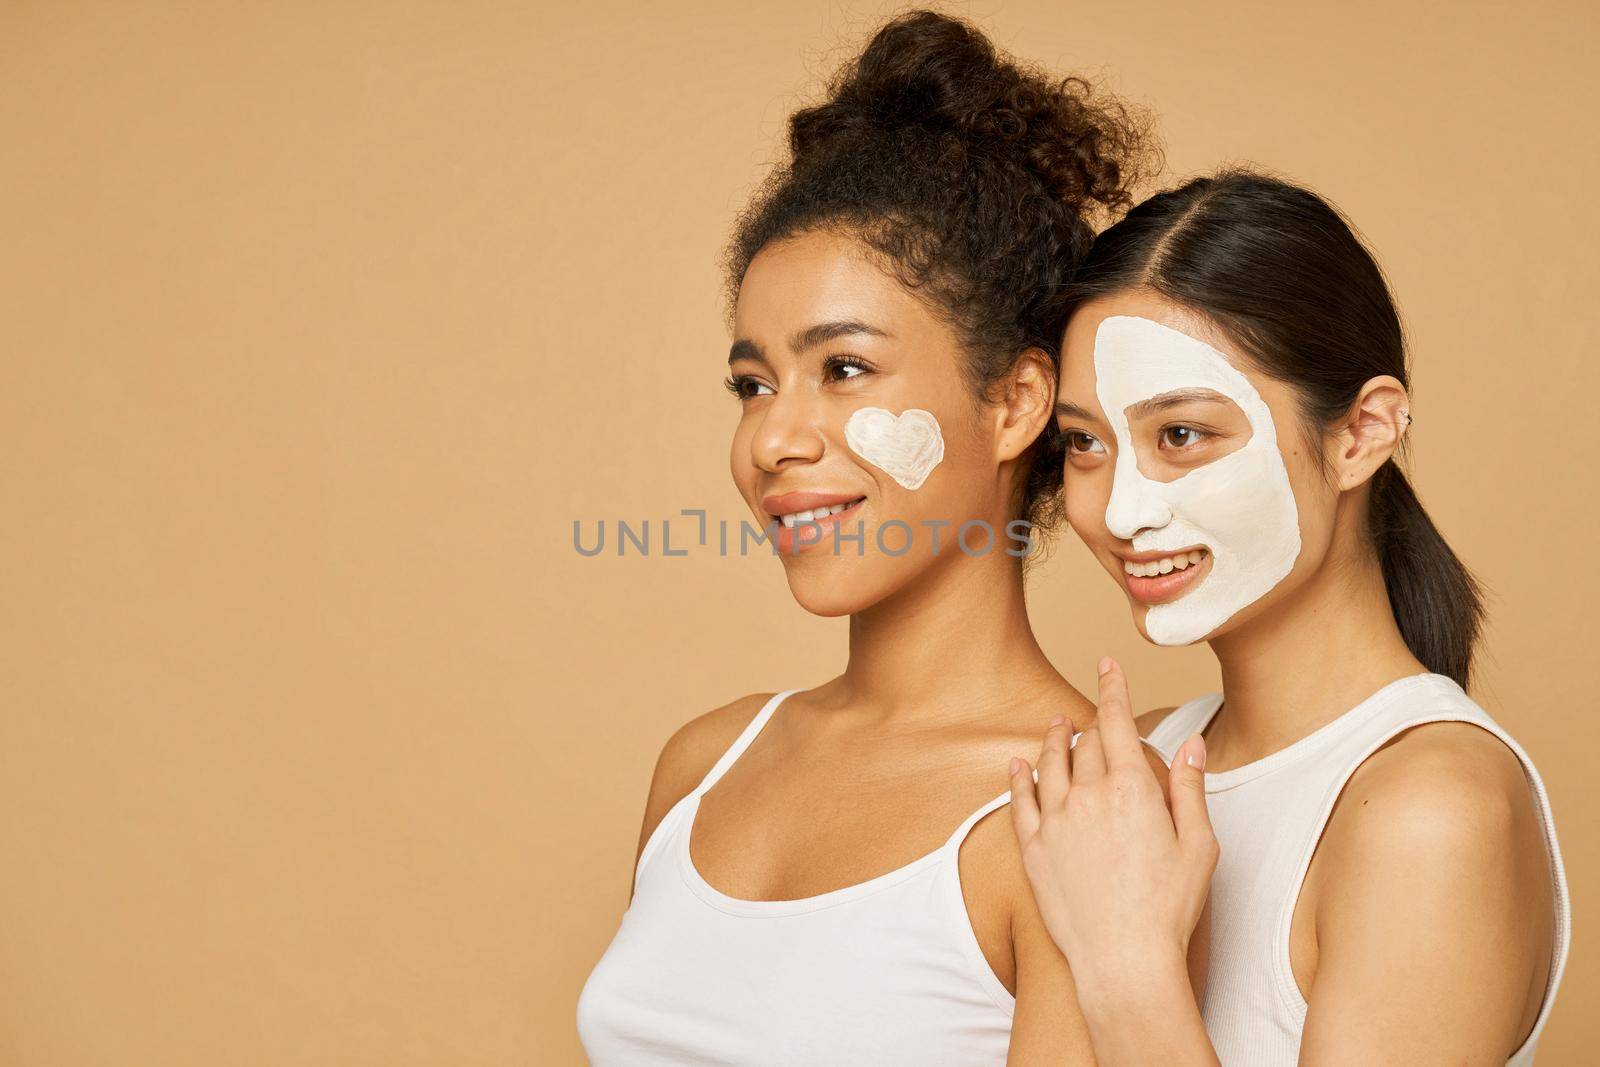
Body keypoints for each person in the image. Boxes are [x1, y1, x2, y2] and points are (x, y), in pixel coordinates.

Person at [576, 10, 1182, 1064]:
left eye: (843, 368)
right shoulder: (707, 762)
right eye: (752, 383)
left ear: (1013, 401)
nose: (771, 437)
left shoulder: (1077, 815)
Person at [1009, 170, 1570, 1065]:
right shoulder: (1128, 780)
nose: (1118, 512)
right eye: (1085, 443)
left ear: (1361, 434)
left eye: (1182, 435)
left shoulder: (1430, 808)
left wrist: (1125, 964)